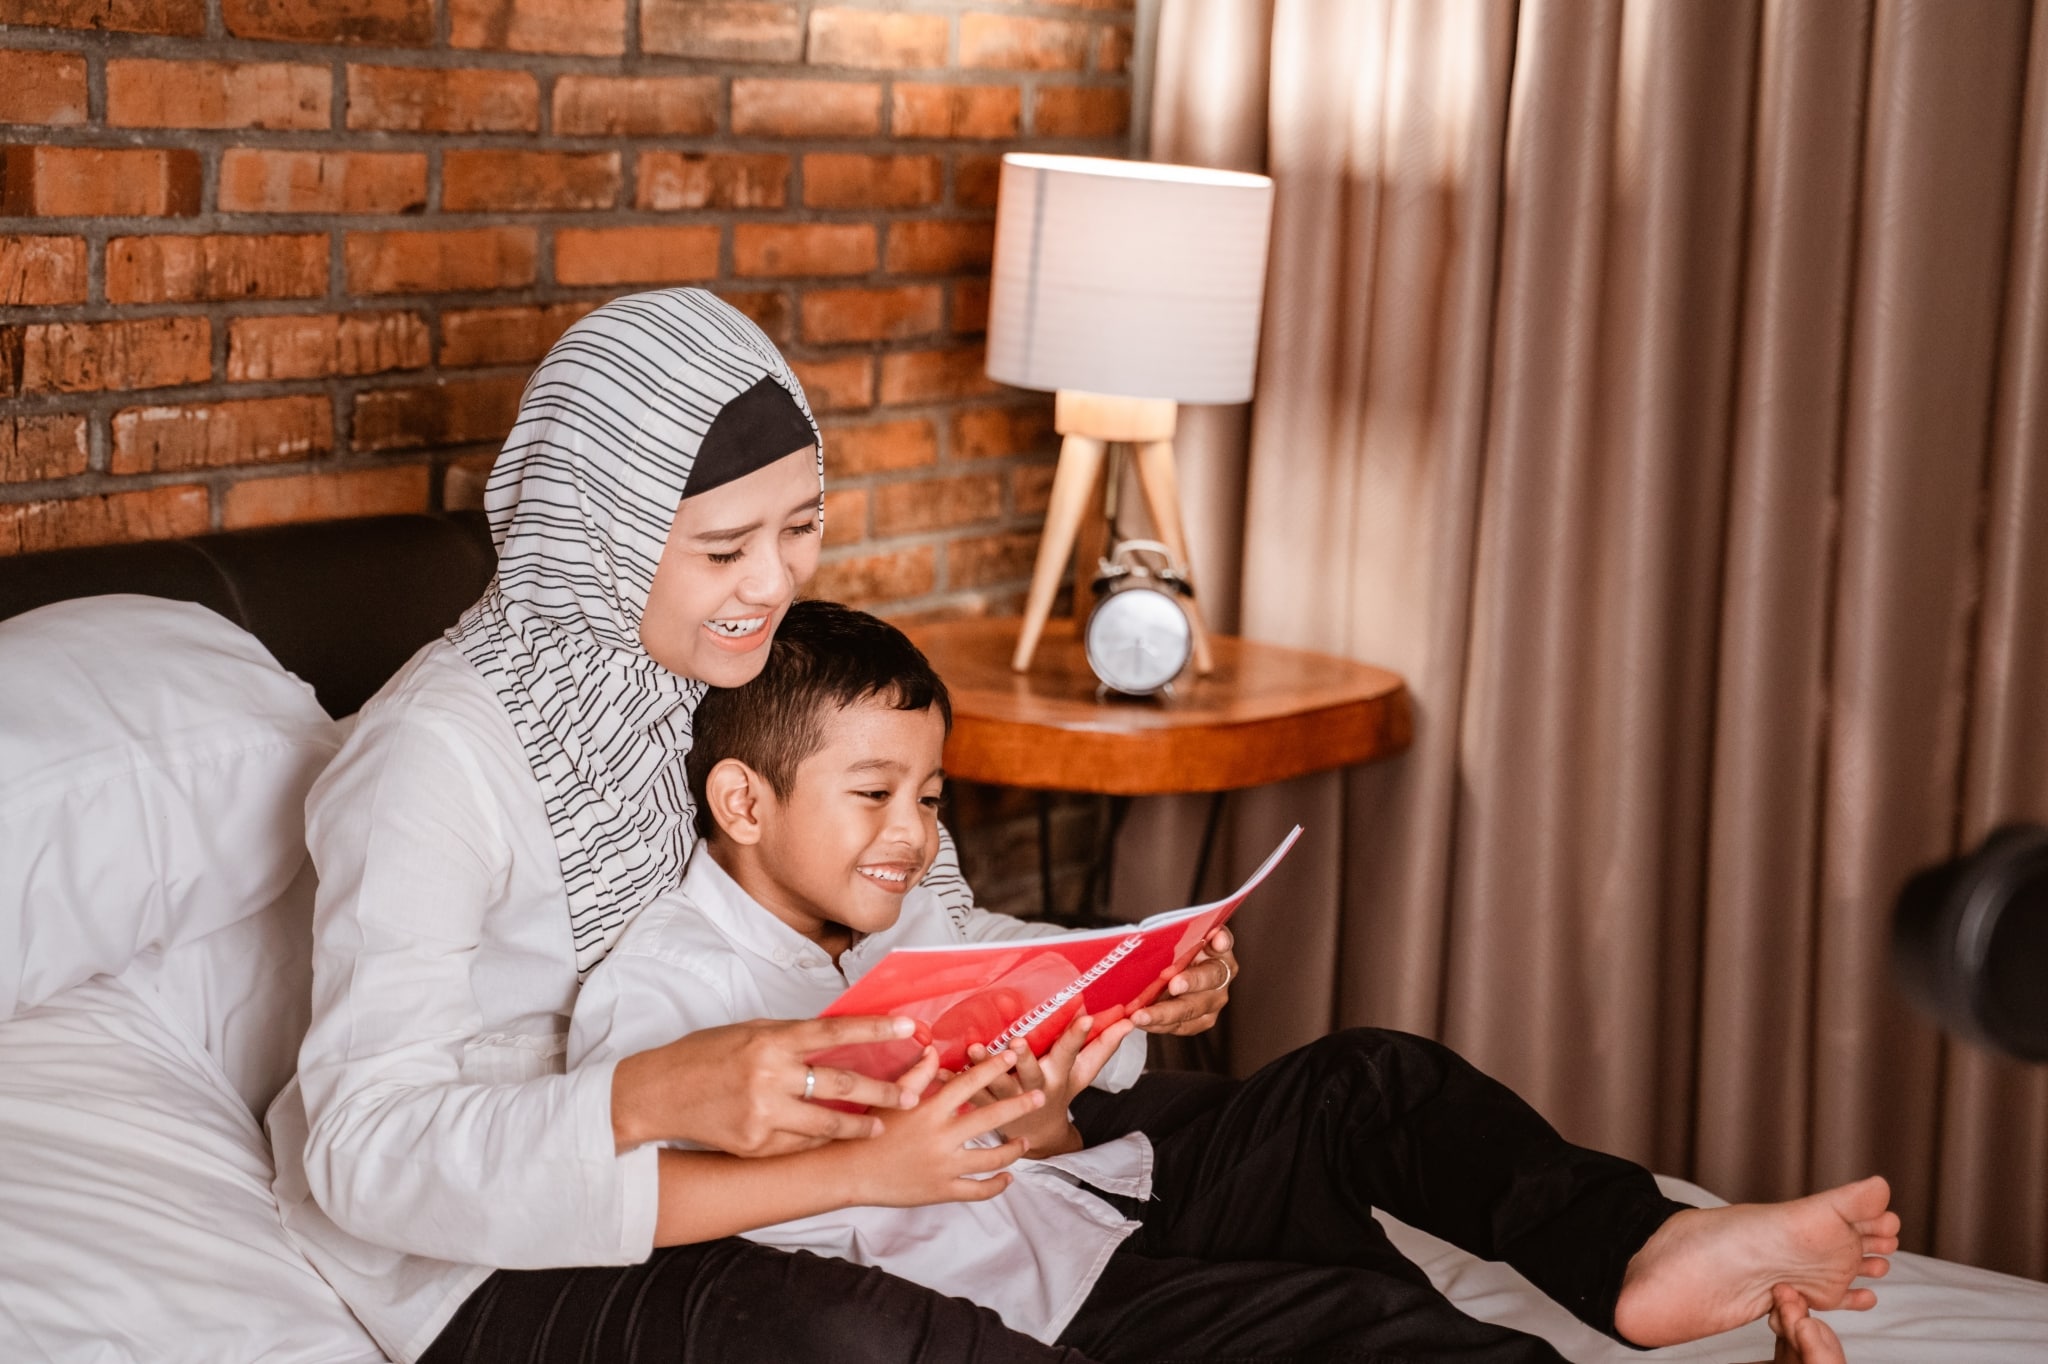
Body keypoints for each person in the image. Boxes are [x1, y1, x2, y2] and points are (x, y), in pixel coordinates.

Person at [267, 286, 1895, 1364]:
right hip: (530, 1259)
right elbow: (364, 1150)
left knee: (1356, 1090)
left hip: (865, 1148)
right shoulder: (431, 766)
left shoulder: (720, 672)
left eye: (802, 530)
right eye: (724, 549)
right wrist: (668, 1093)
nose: (775, 585)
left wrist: (1096, 996)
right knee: (918, 1328)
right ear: (601, 528)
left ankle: (1640, 1248)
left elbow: (936, 930)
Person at [566, 599, 1893, 1364]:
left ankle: (1639, 1250)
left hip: (1106, 1184)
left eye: (930, 794)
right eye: (873, 796)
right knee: (1362, 1327)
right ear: (742, 799)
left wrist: (1153, 998)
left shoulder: (917, 917)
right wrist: (954, 1137)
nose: (913, 833)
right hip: (1043, 1285)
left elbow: (1059, 1075)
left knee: (1368, 1075)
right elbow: (642, 1203)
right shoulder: (667, 991)